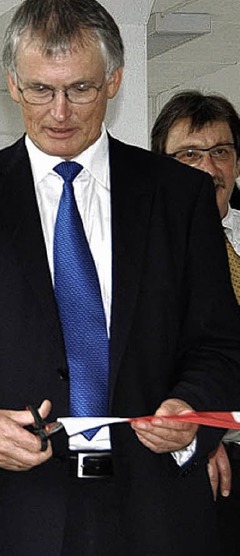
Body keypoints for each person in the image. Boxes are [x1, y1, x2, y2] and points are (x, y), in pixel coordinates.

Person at [0, 1, 240, 555]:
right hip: (13, 513)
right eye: (40, 90)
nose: (59, 111)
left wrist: (191, 408)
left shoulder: (181, 197)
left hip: (158, 509)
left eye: (80, 89)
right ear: (12, 84)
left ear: (114, 80)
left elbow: (220, 346)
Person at [151, 89, 240, 556]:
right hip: (198, 460)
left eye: (221, 151)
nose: (208, 168)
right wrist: (203, 436)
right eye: (189, 154)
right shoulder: (141, 258)